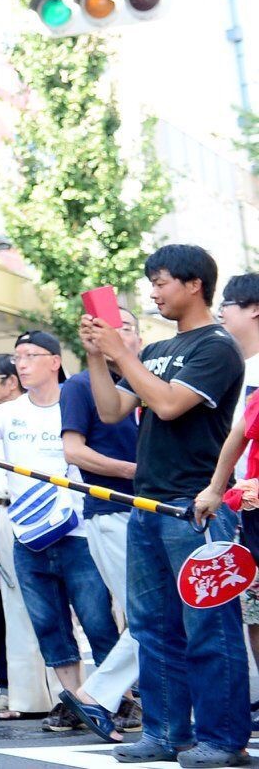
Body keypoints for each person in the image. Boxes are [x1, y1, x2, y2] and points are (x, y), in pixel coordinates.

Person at [87, 244, 249, 767]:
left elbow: (169, 404)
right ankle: (164, 733)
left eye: (160, 283)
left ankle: (223, 740)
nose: (153, 293)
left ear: (193, 283)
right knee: (152, 627)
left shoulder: (218, 346)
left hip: (195, 507)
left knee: (209, 627)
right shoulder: (156, 348)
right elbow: (111, 409)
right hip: (148, 505)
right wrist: (97, 355)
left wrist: (121, 352)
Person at [0, 332, 119, 733]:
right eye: (18, 357)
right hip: (27, 532)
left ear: (55, 361)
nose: (22, 363)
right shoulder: (7, 412)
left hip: (78, 529)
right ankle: (74, 701)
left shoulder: (78, 399)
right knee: (49, 624)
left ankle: (113, 698)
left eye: (30, 355)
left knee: (97, 619)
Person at [59, 337, 144, 743]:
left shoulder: (147, 379)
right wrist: (135, 470)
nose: (118, 335)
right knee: (148, 616)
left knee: (155, 615)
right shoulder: (80, 385)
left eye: (127, 328)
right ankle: (95, 695)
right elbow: (73, 452)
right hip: (111, 512)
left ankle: (100, 695)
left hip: (155, 510)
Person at [202, 274, 259, 677]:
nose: (220, 311)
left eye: (228, 303)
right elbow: (237, 433)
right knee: (252, 606)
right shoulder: (226, 365)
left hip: (243, 499)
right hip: (240, 503)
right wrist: (217, 487)